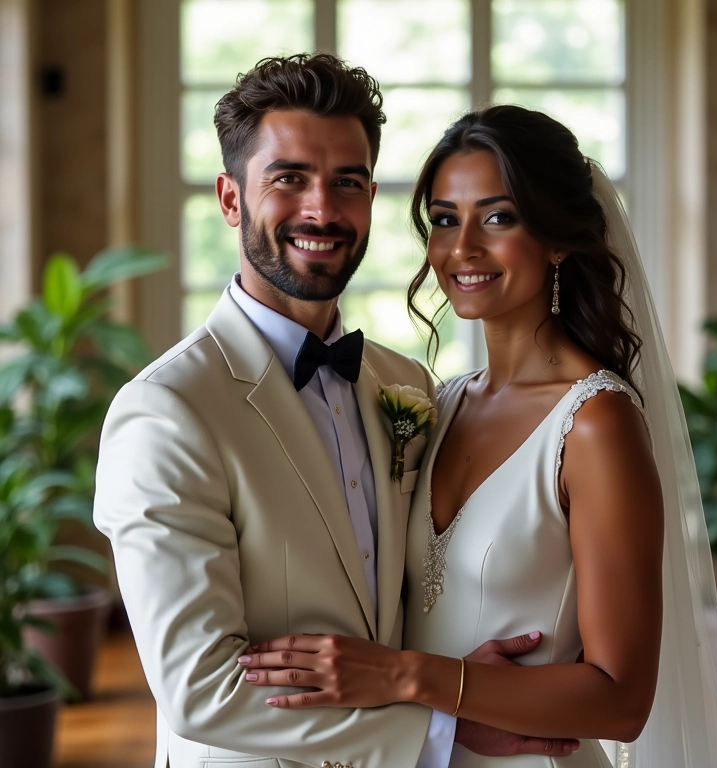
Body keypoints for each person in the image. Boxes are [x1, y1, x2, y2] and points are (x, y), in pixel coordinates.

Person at [93, 58, 579, 768]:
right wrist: (444, 727)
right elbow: (200, 691)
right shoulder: (166, 412)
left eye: (346, 183)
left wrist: (464, 678)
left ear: (371, 198)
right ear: (230, 199)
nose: (321, 210)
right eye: (288, 178)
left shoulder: (404, 382)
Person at [238, 105, 717, 768]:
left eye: (498, 217)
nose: (462, 249)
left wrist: (406, 675)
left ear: (559, 237)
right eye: (446, 219)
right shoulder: (438, 403)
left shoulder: (596, 424)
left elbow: (621, 701)